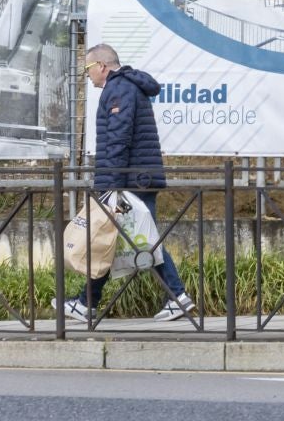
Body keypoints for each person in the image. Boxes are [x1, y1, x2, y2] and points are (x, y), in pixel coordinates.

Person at [68, 43, 195, 323]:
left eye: (88, 69)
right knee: (122, 238)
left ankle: (176, 296)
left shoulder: (119, 89)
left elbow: (118, 139)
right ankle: (87, 301)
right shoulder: (125, 86)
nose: (87, 76)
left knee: (138, 239)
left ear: (101, 65)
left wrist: (109, 187)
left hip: (130, 181)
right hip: (135, 178)